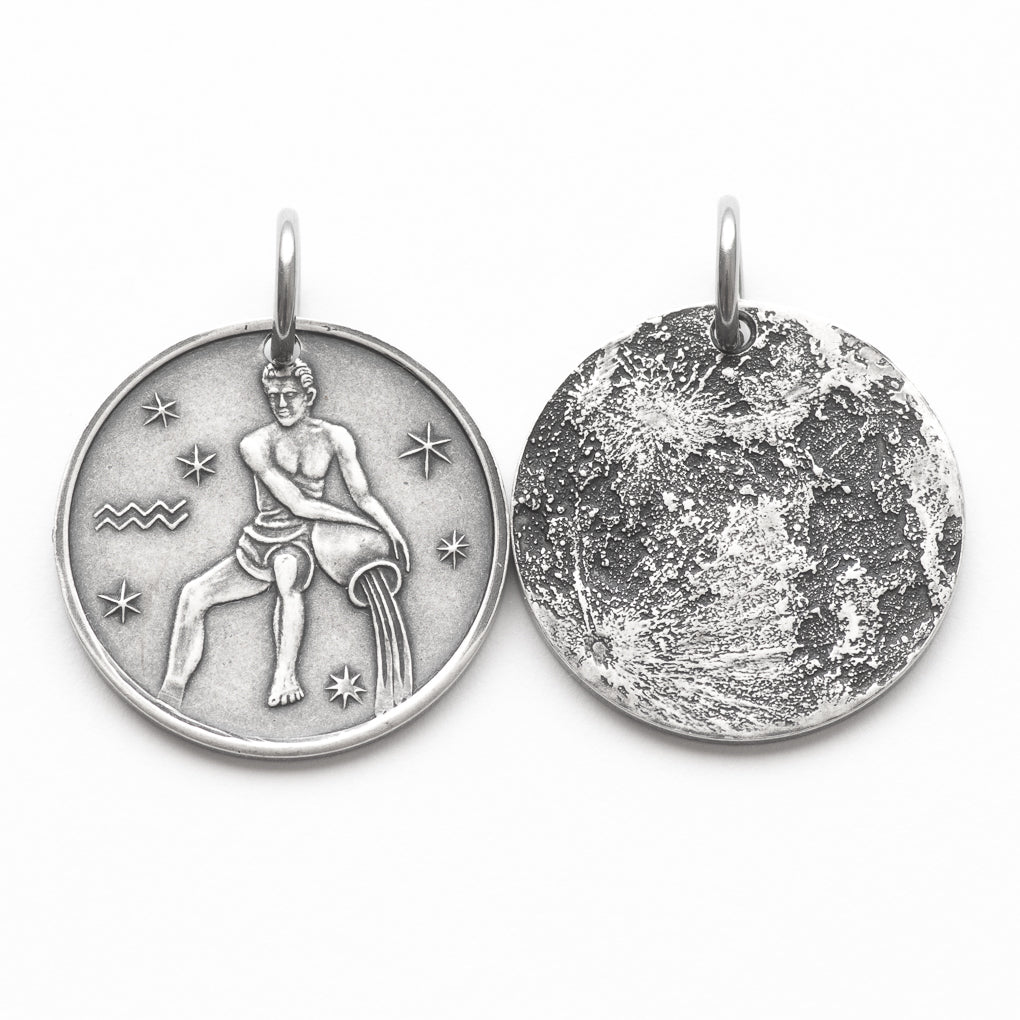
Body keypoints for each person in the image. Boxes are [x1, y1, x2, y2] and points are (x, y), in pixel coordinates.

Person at [158, 356, 410, 710]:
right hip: (261, 538)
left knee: (286, 571)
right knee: (192, 595)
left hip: (305, 540)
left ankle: (285, 676)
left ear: (309, 396)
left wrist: (390, 528)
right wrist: (359, 523)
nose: (281, 404)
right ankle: (171, 692)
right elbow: (297, 503)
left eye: (289, 395)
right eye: (273, 396)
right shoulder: (255, 443)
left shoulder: (336, 437)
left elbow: (363, 495)